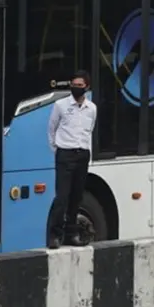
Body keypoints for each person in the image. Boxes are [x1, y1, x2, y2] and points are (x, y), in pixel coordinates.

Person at [47, 70, 96, 248]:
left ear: (87, 87)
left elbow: (89, 131)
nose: (76, 88)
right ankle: (55, 235)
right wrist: (57, 149)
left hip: (82, 155)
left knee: (76, 198)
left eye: (80, 86)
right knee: (62, 197)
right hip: (65, 154)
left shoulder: (92, 109)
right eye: (73, 85)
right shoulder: (60, 105)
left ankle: (72, 234)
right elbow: (51, 129)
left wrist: (86, 153)